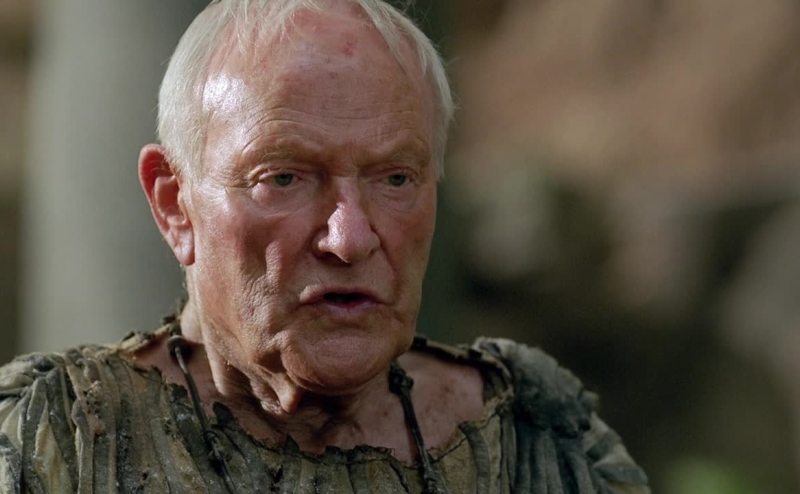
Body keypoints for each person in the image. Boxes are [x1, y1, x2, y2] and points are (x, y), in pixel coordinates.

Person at [0, 0, 649, 492]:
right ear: (175, 204)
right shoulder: (56, 441)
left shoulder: (536, 438)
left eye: (395, 179)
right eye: (283, 178)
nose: (350, 238)